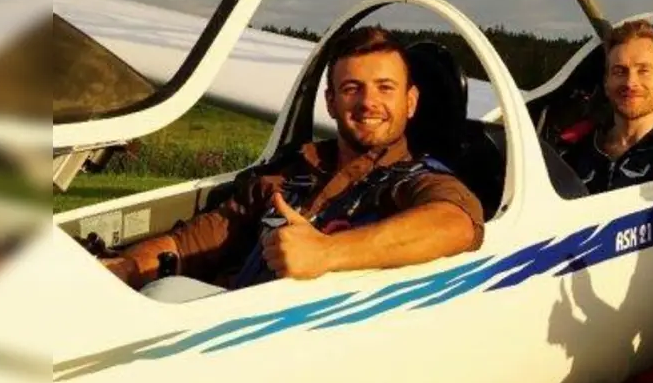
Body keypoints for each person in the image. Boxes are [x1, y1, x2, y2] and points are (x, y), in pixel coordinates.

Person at [100, 26, 486, 302]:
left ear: (411, 102)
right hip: (229, 322)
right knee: (159, 289)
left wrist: (326, 252)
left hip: (309, 348)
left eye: (385, 88)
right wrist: (128, 269)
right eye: (352, 89)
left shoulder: (417, 181)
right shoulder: (288, 176)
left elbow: (456, 224)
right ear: (332, 102)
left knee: (167, 294)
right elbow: (188, 245)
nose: (368, 103)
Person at [555, 20, 653, 193]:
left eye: (643, 70)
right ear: (606, 83)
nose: (630, 83)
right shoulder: (571, 152)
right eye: (619, 71)